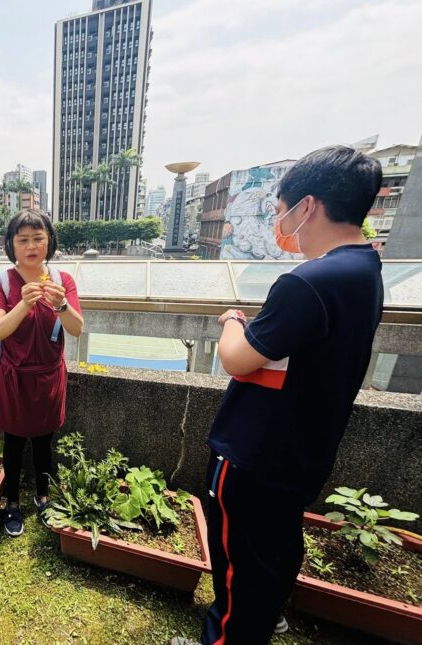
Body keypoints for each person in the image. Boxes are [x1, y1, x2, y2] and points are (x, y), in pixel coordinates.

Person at [171, 145, 384, 645]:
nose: (280, 222)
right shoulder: (366, 272)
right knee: (275, 549)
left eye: (282, 209)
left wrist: (232, 321)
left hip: (254, 457)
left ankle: (228, 635)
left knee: (236, 565)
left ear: (307, 206)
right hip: (301, 452)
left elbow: (238, 358)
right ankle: (266, 615)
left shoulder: (309, 282)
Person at [0, 209, 84, 537]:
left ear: (49, 241)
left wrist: (61, 305)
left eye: (38, 238)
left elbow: (77, 329)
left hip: (49, 377)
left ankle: (43, 498)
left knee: (45, 444)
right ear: (11, 245)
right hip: (14, 379)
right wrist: (24, 304)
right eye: (23, 239)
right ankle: (12, 502)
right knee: (12, 445)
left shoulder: (62, 282)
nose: (31, 245)